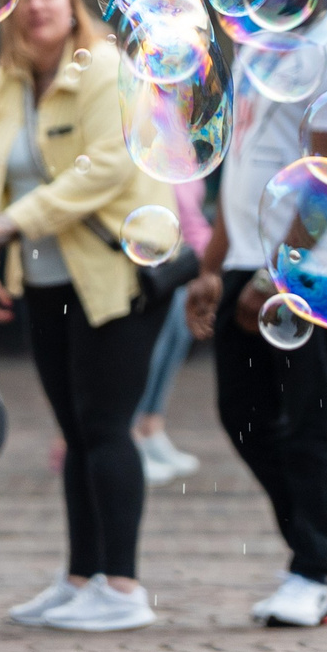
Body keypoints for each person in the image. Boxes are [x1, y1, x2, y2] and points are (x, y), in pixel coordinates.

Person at [0, 0, 175, 633]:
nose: (38, 5)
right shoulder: (2, 84)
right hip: (43, 280)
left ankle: (124, 586)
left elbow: (105, 168)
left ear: (71, 2)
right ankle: (81, 577)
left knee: (107, 429)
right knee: (75, 433)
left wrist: (15, 221)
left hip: (115, 277)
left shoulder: (106, 70)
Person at [185, 0, 327, 629]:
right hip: (248, 260)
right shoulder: (260, 51)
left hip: (313, 271)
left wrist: (280, 277)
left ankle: (311, 570)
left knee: (307, 424)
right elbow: (240, 169)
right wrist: (212, 267)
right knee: (241, 415)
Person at [129, 177, 208, 486]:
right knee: (156, 345)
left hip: (183, 258)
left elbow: (190, 215)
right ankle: (132, 433)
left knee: (176, 338)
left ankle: (151, 427)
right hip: (156, 260)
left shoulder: (188, 162)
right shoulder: (151, 152)